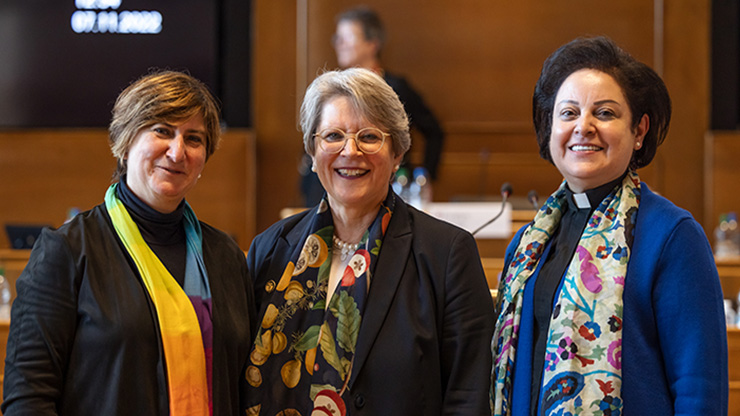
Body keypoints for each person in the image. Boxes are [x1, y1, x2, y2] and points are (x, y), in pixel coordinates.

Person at [490, 36, 728, 415]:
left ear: (639, 131)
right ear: (550, 129)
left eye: (604, 113)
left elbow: (699, 388)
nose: (583, 127)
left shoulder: (671, 235)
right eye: (568, 113)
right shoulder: (527, 244)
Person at [2, 70, 256, 415]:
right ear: (125, 141)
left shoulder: (225, 256)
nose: (177, 152)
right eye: (162, 131)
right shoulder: (68, 251)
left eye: (193, 139)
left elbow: (245, 387)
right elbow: (28, 398)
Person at [246, 68, 494, 416]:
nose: (350, 151)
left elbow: (469, 393)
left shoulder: (447, 254)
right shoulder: (270, 249)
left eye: (369, 136)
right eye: (333, 136)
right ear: (313, 154)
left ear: (397, 155)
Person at [300, 6, 445, 206]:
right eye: (337, 38)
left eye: (346, 38)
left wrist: (423, 178)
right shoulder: (328, 92)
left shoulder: (396, 88)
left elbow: (434, 131)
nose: (339, 45)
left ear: (372, 44)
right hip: (323, 195)